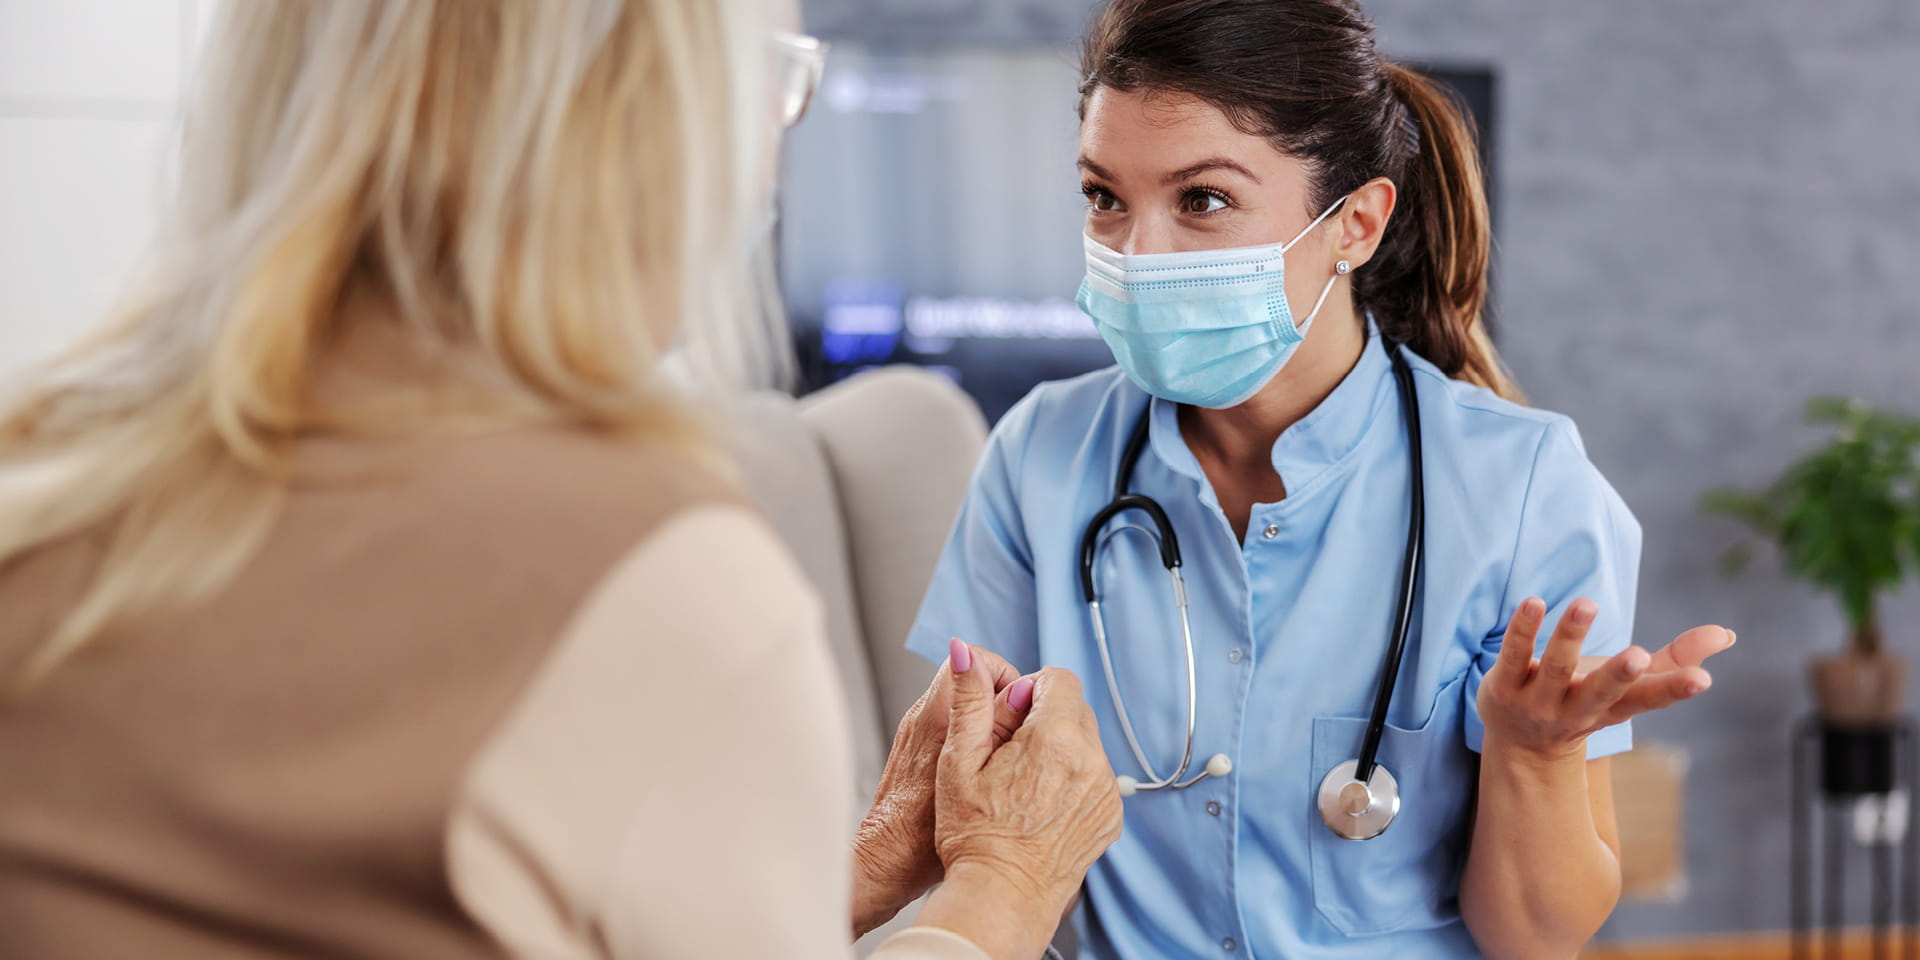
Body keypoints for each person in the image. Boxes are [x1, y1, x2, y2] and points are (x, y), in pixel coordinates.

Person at [0, 3, 1117, 959]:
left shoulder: (45, 477)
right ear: (650, 111)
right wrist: (1006, 888)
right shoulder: (657, 572)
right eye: (782, 84)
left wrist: (862, 872)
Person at [906, 1, 1735, 958]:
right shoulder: (1040, 457)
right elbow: (974, 839)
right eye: (1104, 197)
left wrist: (1533, 752)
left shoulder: (1525, 488)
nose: (1138, 255)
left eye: (1203, 200)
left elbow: (1536, 939)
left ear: (1356, 224)